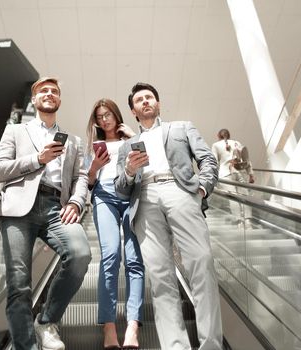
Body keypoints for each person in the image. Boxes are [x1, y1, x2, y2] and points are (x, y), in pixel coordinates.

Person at [115, 82, 223, 350]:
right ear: (133, 110)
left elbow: (208, 159)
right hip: (146, 197)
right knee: (160, 277)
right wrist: (128, 171)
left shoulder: (182, 127)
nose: (145, 101)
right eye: (139, 100)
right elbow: (120, 188)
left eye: (149, 97)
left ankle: (211, 344)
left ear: (158, 103)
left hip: (181, 192)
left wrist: (201, 189)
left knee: (202, 263)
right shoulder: (126, 146)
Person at [0, 77, 92, 350]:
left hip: (56, 207)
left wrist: (76, 203)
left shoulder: (73, 141)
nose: (49, 94)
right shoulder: (15, 131)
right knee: (19, 282)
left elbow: (82, 177)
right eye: (43, 91)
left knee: (81, 253)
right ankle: (26, 346)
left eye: (55, 91)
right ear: (34, 100)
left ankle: (46, 321)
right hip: (18, 209)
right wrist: (38, 159)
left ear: (59, 100)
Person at [85, 98, 144, 350]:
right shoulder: (91, 146)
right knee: (110, 255)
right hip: (103, 195)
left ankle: (133, 326)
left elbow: (146, 164)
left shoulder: (129, 138)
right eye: (99, 116)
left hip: (131, 195)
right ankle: (109, 327)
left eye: (108, 114)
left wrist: (134, 136)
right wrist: (95, 168)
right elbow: (87, 182)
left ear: (116, 114)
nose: (104, 119)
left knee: (134, 259)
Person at [211, 128, 254, 227]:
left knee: (233, 197)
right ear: (228, 135)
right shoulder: (236, 143)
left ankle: (239, 221)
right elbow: (246, 159)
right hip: (239, 172)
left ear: (218, 136)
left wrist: (213, 177)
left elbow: (213, 162)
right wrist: (251, 174)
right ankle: (248, 220)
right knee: (244, 196)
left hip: (225, 174)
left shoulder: (216, 145)